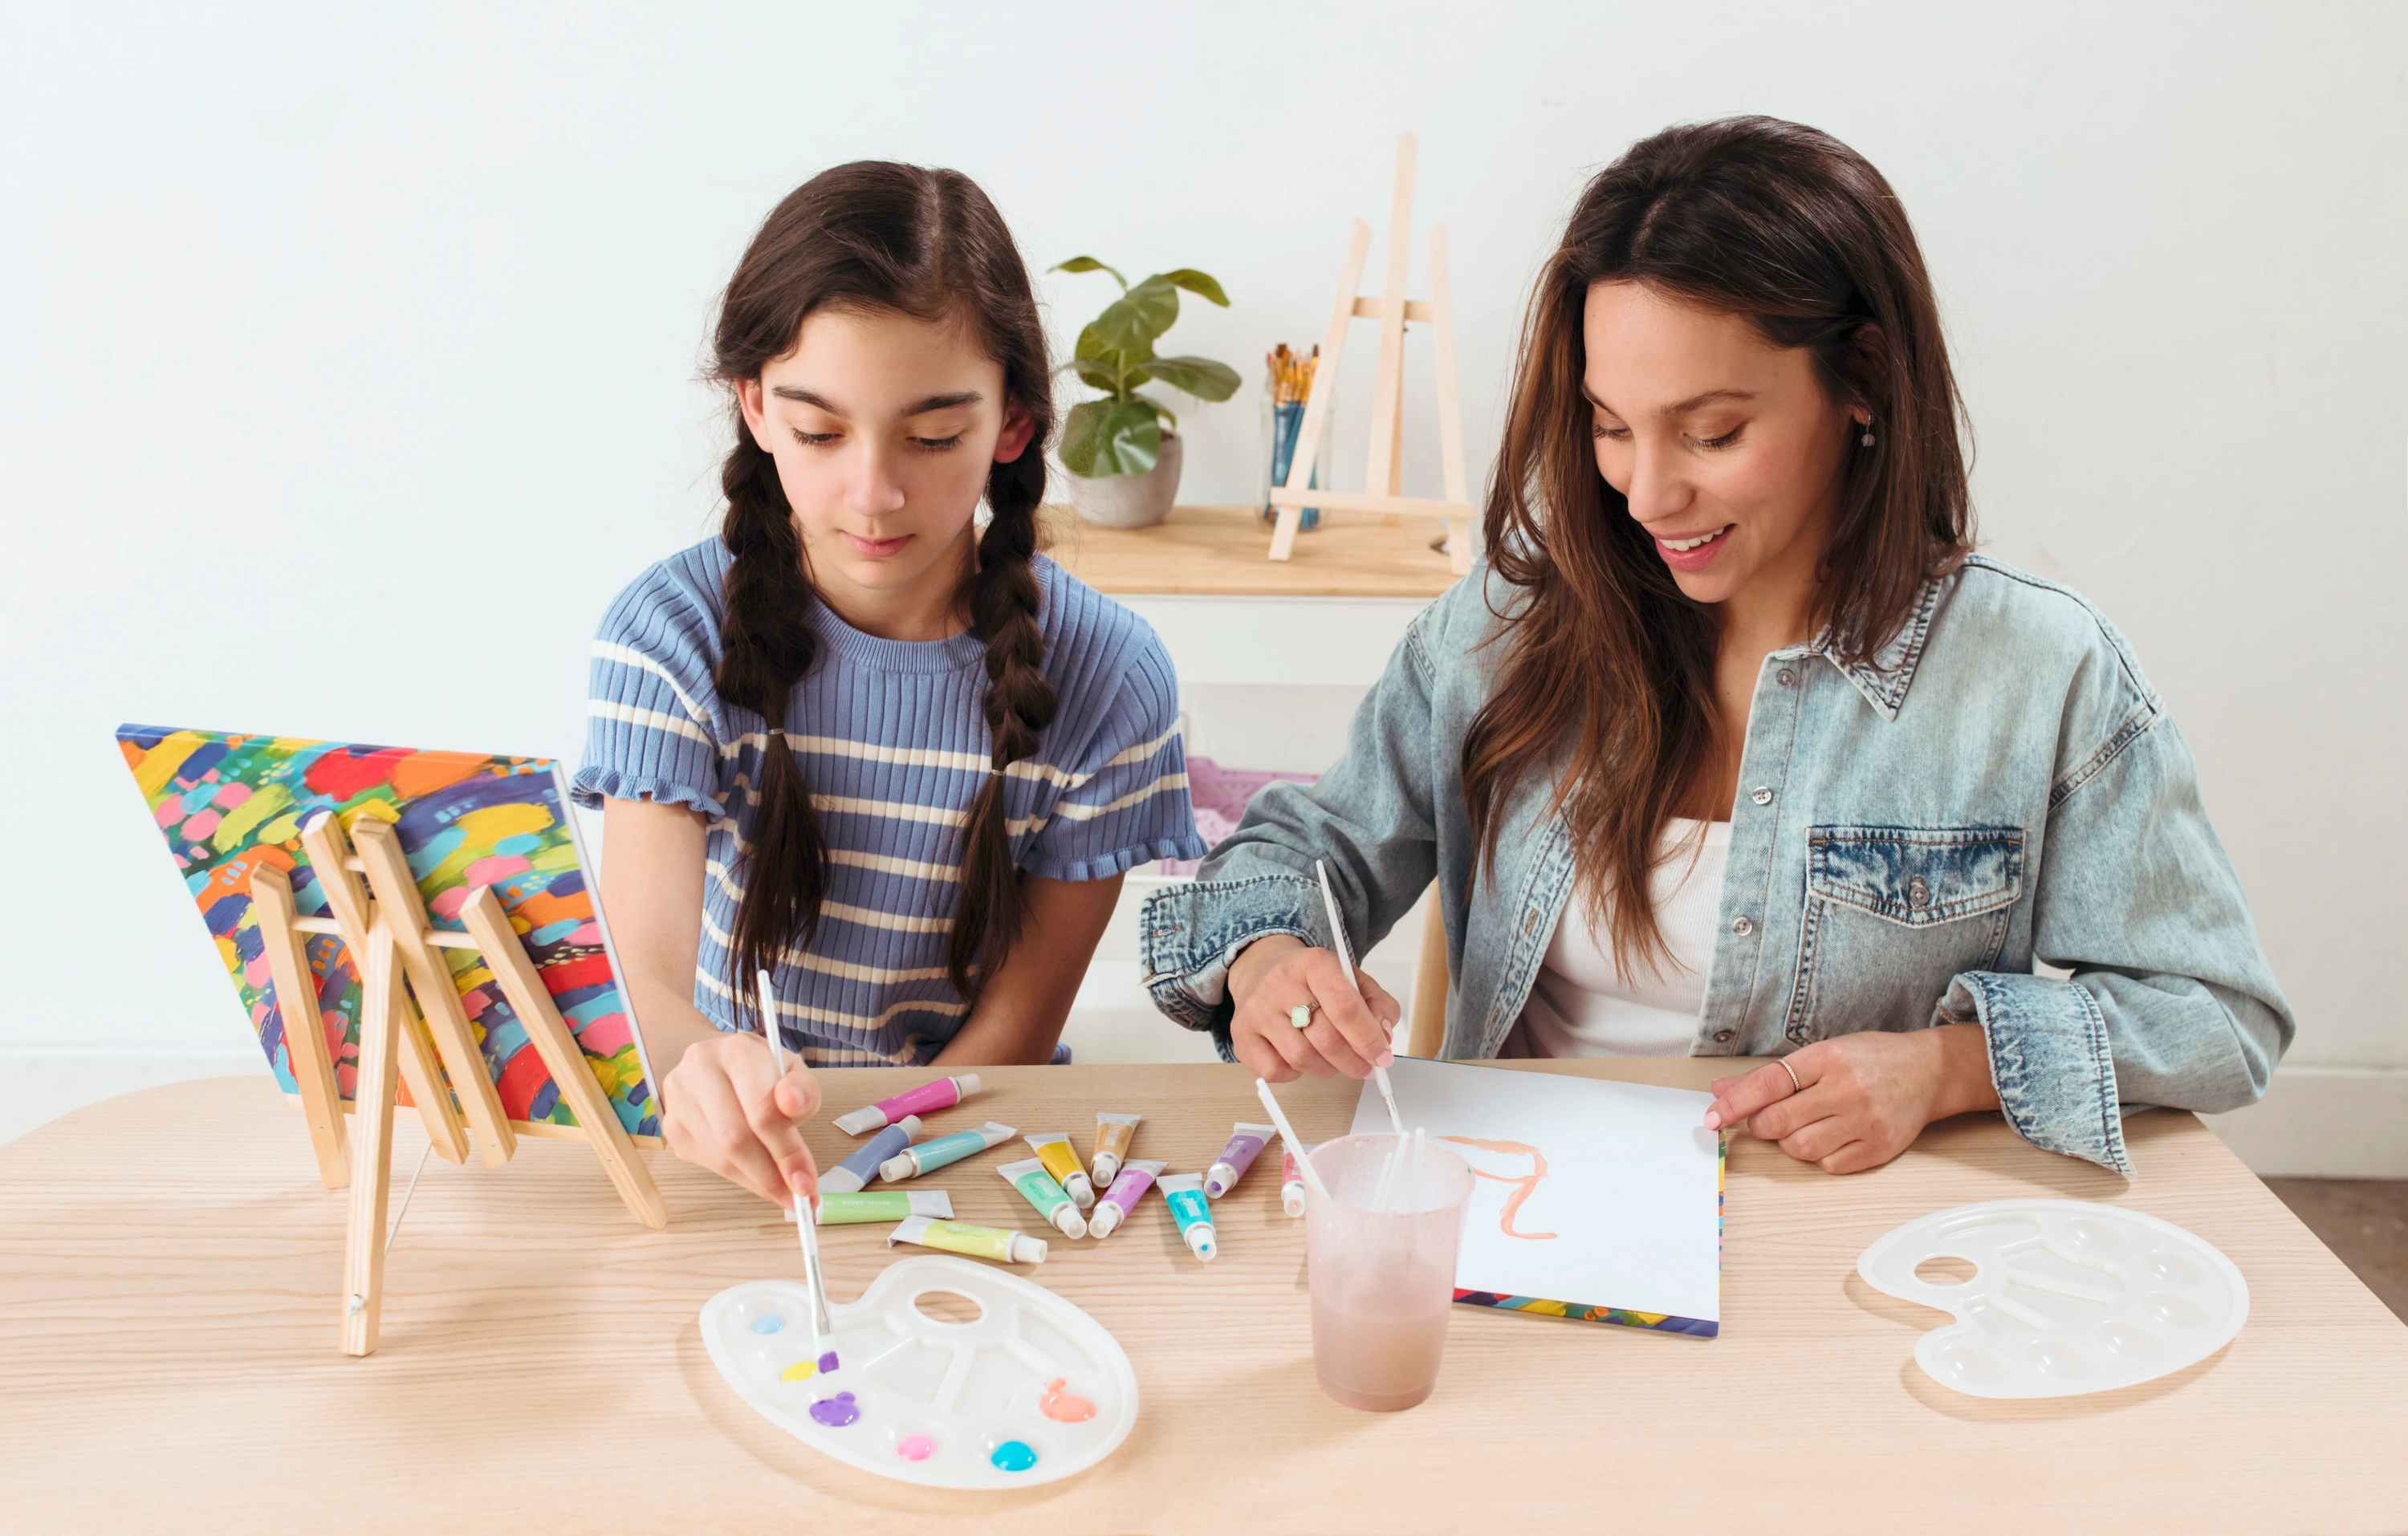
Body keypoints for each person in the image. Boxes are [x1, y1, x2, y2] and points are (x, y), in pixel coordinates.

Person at [1140, 116, 2290, 1177]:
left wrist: (1947, 1068)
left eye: (1713, 431)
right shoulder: (1504, 630)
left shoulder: (2038, 669)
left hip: (1840, 1240)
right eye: (1610, 426)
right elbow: (1305, 850)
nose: (1648, 492)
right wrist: (1265, 957)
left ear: (1865, 382)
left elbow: (2218, 1017)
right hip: (1524, 1211)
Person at [580, 163, 1205, 1209]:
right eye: (820, 432)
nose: (873, 493)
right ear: (756, 410)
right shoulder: (668, 635)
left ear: (1011, 424)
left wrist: (865, 1165)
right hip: (727, 1154)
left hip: (966, 1152)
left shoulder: (1110, 676)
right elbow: (644, 983)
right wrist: (720, 1083)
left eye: (931, 436)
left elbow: (1008, 1039)